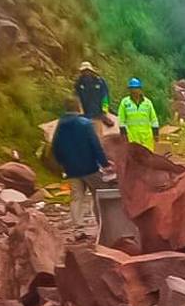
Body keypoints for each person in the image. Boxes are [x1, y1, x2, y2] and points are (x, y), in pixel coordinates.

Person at [52, 97, 110, 228]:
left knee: (76, 196)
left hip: (71, 168)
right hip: (89, 167)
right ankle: (101, 221)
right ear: (78, 107)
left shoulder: (60, 125)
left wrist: (62, 163)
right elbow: (95, 145)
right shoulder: (86, 123)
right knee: (98, 194)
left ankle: (77, 223)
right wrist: (104, 163)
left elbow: (55, 146)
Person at [118, 78, 161, 151]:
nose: (134, 90)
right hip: (132, 136)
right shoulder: (125, 103)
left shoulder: (147, 103)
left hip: (146, 137)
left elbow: (154, 119)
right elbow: (121, 120)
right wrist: (123, 134)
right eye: (132, 88)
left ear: (140, 89)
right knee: (134, 158)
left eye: (136, 88)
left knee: (148, 158)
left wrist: (156, 133)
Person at [74, 62, 113, 135]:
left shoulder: (99, 82)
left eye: (87, 71)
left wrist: (104, 112)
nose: (86, 73)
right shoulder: (79, 83)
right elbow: (77, 98)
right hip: (85, 114)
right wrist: (80, 112)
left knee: (98, 136)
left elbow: (105, 97)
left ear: (91, 71)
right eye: (83, 71)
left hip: (98, 113)